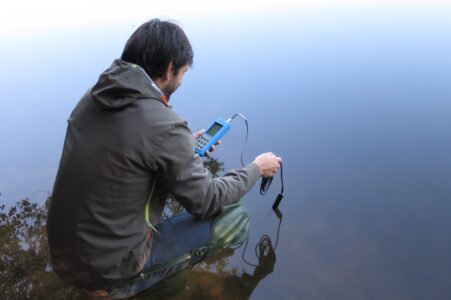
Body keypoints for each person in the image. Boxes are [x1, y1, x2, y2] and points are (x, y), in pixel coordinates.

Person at [46, 18, 281, 298]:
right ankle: (131, 287)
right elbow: (207, 201)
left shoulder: (93, 98)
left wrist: (179, 148)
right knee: (234, 218)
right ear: (170, 70)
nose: (181, 79)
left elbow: (125, 150)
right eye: (183, 73)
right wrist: (256, 168)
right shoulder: (163, 125)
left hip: (63, 254)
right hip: (110, 267)